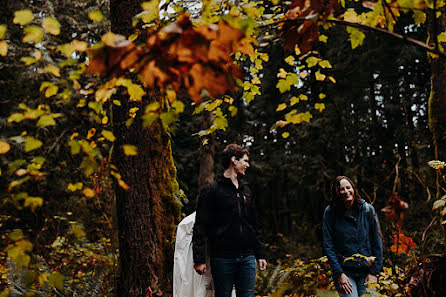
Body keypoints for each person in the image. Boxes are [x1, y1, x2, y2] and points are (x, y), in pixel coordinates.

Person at [192, 144, 267, 297]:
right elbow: (200, 226)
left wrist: (260, 254)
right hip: (222, 258)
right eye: (245, 161)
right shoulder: (211, 191)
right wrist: (199, 259)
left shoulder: (246, 191)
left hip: (247, 258)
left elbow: (254, 225)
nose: (248, 164)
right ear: (234, 160)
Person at [322, 176, 383, 297]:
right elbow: (328, 245)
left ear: (353, 189)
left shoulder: (367, 210)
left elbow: (378, 242)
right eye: (341, 189)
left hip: (367, 271)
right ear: (337, 192)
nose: (346, 191)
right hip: (345, 272)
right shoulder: (330, 213)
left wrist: (374, 272)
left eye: (348, 187)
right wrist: (339, 273)